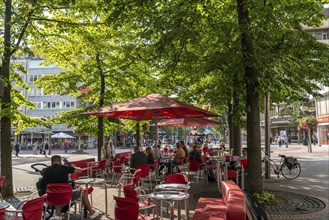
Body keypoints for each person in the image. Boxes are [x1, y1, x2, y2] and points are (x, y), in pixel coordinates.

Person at [43, 155, 99, 220]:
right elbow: (79, 171)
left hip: (51, 196)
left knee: (59, 192)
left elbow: (46, 182)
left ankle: (58, 215)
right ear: (60, 161)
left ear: (51, 162)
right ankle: (92, 212)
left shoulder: (46, 171)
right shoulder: (64, 168)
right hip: (65, 196)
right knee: (82, 192)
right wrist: (73, 166)